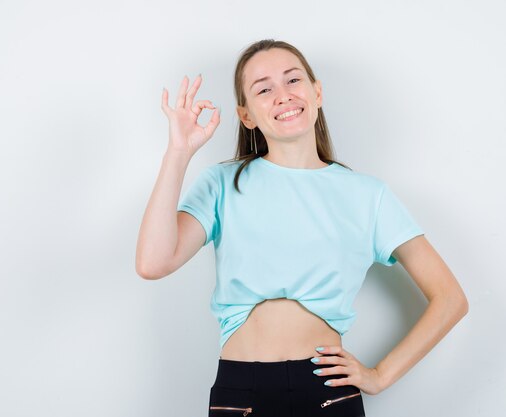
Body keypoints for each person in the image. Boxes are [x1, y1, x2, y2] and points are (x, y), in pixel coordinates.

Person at [135, 39, 468, 417]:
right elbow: (153, 262)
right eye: (263, 88)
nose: (282, 95)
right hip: (241, 388)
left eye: (292, 80)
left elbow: (451, 299)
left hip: (326, 389)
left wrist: (380, 376)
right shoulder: (223, 184)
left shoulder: (367, 195)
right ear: (246, 115)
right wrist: (178, 153)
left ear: (317, 92)